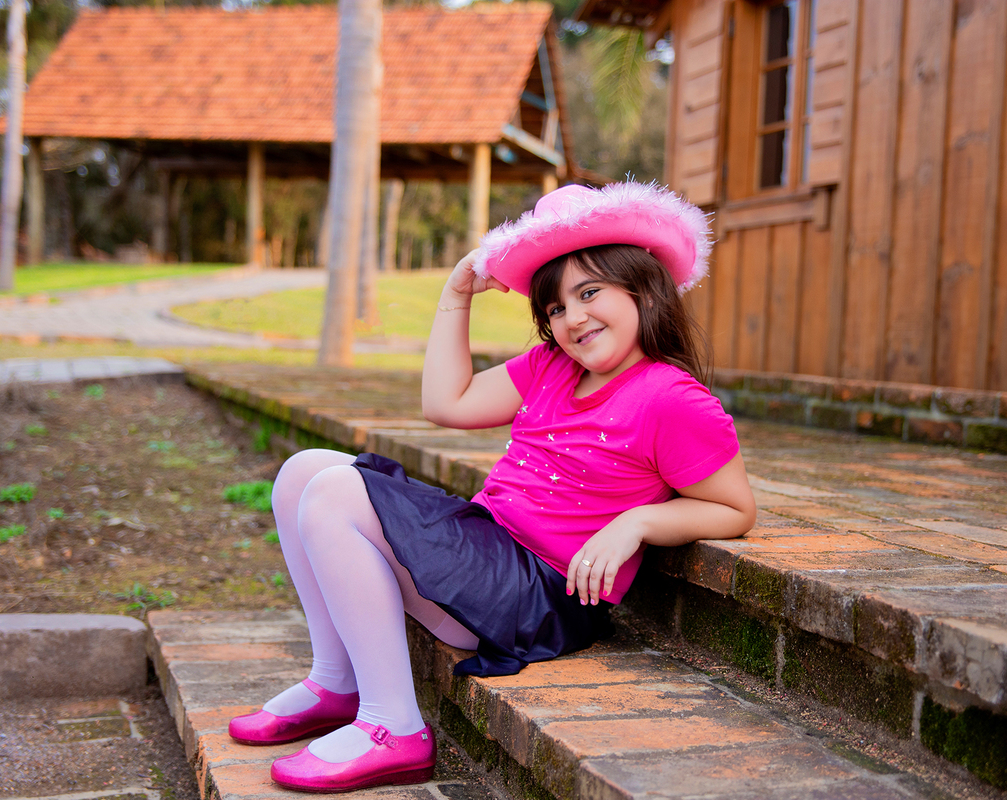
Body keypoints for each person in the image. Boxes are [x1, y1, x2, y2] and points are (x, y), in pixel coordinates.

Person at [227, 181, 757, 792]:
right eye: (556, 307)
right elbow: (444, 402)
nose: (573, 318)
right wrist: (457, 293)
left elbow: (733, 506)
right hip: (488, 553)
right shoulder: (553, 368)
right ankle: (336, 680)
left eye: (590, 293)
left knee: (334, 493)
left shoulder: (672, 398)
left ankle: (393, 727)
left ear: (642, 286)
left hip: (537, 593)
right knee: (304, 470)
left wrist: (636, 522)